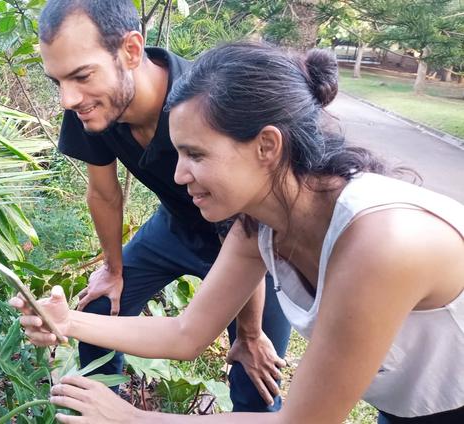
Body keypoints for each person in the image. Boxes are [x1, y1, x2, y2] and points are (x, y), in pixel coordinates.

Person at [11, 42, 464, 423]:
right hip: (406, 402)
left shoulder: (379, 242)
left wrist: (135, 417)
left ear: (267, 145)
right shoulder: (259, 227)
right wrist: (67, 320)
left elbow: (302, 422)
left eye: (195, 155)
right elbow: (187, 334)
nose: (180, 175)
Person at [36, 0, 292, 412]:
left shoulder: (203, 103)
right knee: (101, 309)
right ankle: (100, 412)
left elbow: (249, 220)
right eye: (58, 81)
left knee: (256, 376)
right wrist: (112, 270)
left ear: (131, 51)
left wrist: (248, 333)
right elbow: (103, 193)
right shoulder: (92, 105)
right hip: (176, 228)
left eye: (82, 75)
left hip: (258, 243)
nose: (68, 98)